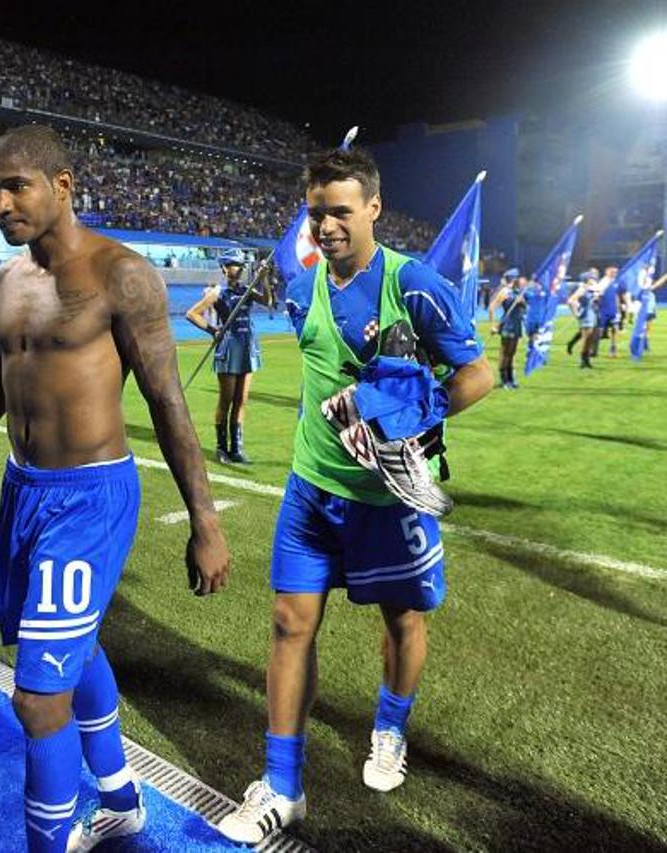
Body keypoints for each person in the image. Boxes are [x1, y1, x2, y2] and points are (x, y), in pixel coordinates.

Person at [0, 125, 230, 853]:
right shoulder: (5, 281)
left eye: (16, 185)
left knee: (37, 697)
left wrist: (205, 520)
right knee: (68, 651)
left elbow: (168, 400)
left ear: (63, 185)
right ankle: (120, 800)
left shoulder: (122, 274)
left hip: (89, 499)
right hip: (23, 490)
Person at [219, 148, 492, 844]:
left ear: (372, 207)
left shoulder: (416, 284)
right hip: (310, 490)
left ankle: (389, 728)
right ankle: (281, 785)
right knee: (288, 623)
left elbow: (476, 374)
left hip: (390, 497)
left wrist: (407, 421)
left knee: (401, 622)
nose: (326, 225)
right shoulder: (299, 285)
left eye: (340, 210)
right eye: (316, 213)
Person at [185, 248, 274, 463]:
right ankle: (221, 448)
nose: (240, 268)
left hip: (247, 346)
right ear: (224, 268)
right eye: (235, 265)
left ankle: (237, 448)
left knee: (241, 400)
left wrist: (264, 279)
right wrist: (213, 330)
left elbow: (268, 301)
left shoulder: (247, 289)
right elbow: (191, 313)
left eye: (242, 265)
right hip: (228, 348)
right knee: (226, 399)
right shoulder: (217, 292)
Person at [488, 271, 528, 389]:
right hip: (507, 325)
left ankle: (511, 378)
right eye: (518, 279)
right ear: (514, 279)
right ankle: (504, 379)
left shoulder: (518, 292)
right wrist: (492, 326)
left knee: (512, 353)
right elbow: (491, 308)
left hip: (517, 326)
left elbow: (524, 309)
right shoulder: (505, 292)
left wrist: (522, 302)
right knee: (506, 353)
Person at [567, 271, 601, 369]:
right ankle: (583, 359)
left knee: (590, 338)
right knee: (586, 338)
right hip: (585, 315)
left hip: (592, 314)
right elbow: (570, 301)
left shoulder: (591, 289)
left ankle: (586, 360)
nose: (593, 280)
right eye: (591, 278)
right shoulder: (582, 289)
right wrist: (575, 313)